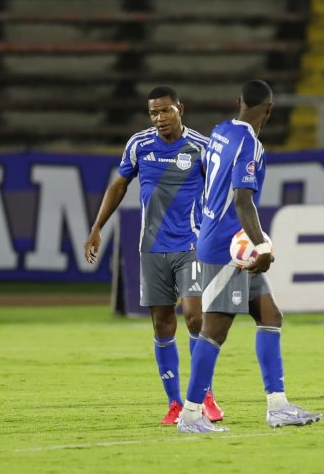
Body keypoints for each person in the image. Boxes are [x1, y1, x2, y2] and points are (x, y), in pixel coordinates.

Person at [175, 79, 321, 433]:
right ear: (269, 109)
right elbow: (243, 200)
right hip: (230, 249)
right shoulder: (250, 146)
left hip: (222, 239)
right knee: (215, 331)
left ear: (239, 101)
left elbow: (210, 177)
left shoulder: (220, 131)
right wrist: (264, 247)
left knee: (270, 315)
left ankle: (278, 406)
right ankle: (191, 414)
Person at [84, 86, 223, 425]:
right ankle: (175, 404)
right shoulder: (139, 145)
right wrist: (97, 226)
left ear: (180, 109)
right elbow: (119, 185)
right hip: (152, 249)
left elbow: (220, 193)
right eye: (154, 113)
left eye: (165, 111)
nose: (160, 118)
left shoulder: (201, 148)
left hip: (191, 246)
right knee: (162, 324)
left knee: (194, 318)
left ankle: (204, 395)